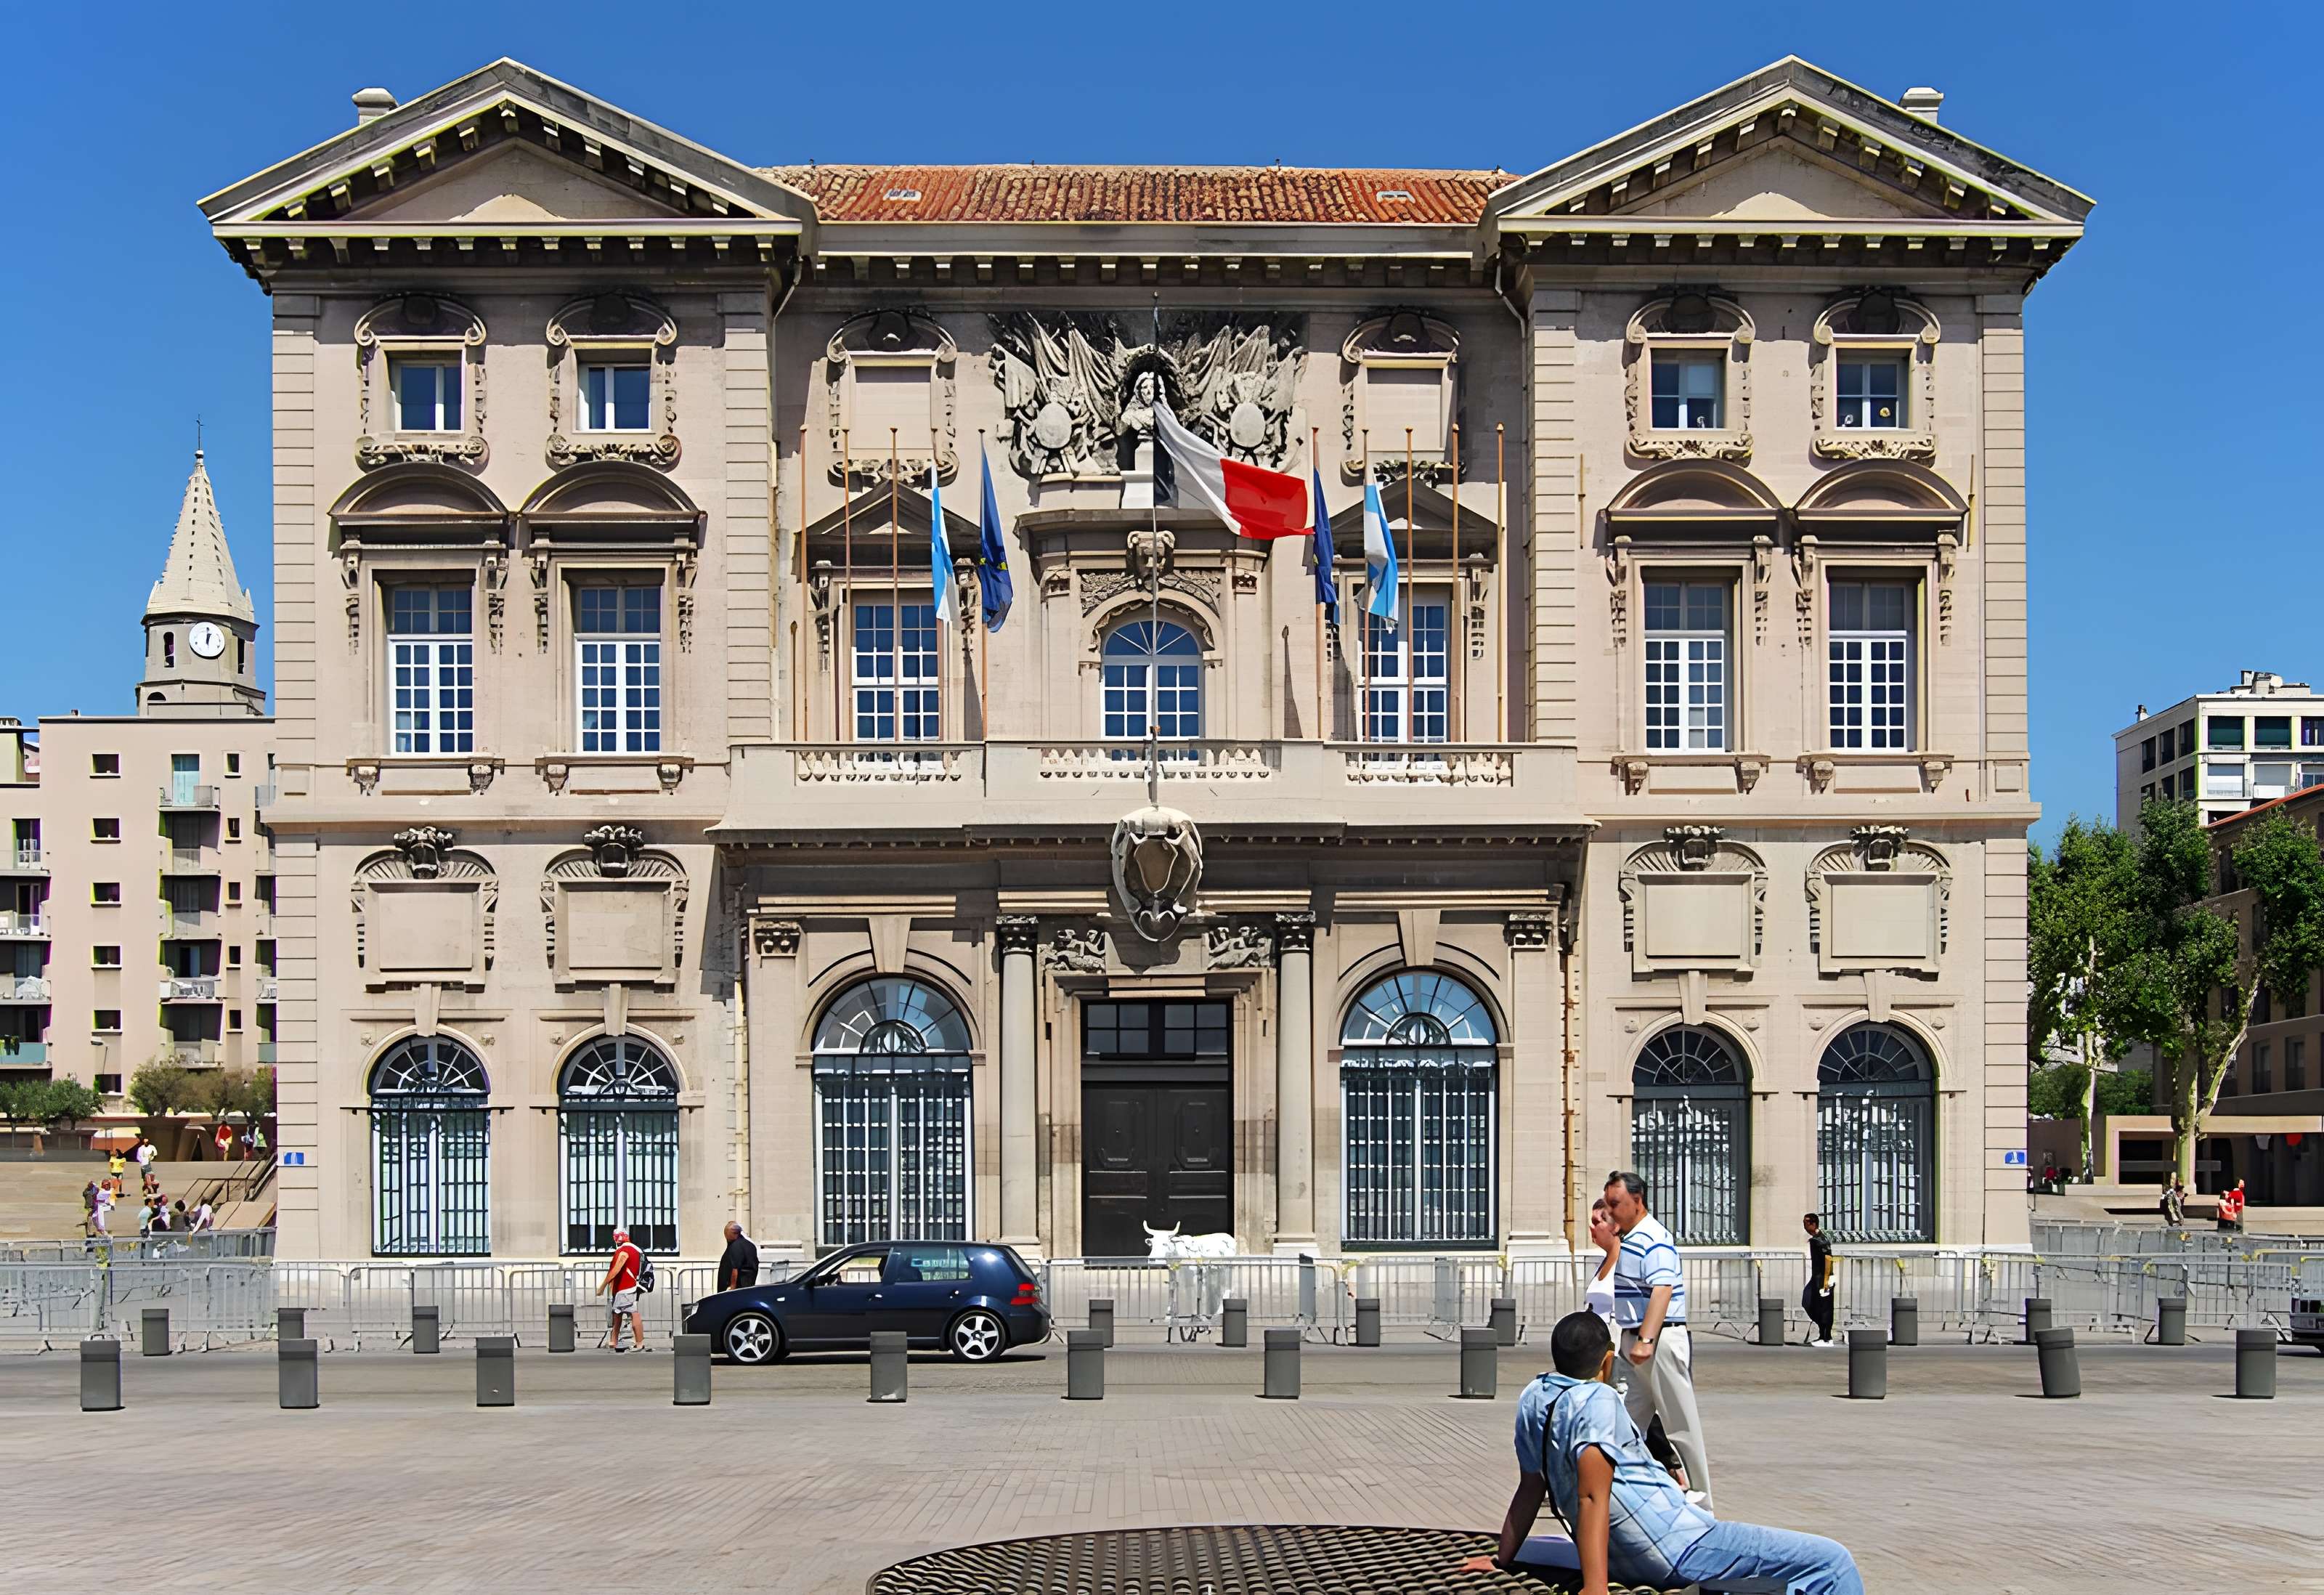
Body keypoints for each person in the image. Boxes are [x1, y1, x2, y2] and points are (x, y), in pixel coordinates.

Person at [1471, 1311, 1863, 1594]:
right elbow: (1592, 1495)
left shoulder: (1534, 1397)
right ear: (1607, 1360)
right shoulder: (1597, 1400)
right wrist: (1595, 1587)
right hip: (1679, 1545)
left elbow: (1530, 1488)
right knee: (1831, 1562)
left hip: (1627, 1553)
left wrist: (1502, 1558)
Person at [1603, 1170, 1713, 1507]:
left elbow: (1662, 1289)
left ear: (1637, 1201)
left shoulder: (1654, 1237)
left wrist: (1647, 1340)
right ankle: (1614, 1491)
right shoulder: (1631, 1238)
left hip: (1658, 1341)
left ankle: (1701, 1501)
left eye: (1615, 1203)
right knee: (1624, 1421)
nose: (1610, 1211)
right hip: (1637, 1340)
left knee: (1679, 1423)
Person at [596, 1228, 647, 1352]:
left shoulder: (624, 1251)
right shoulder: (635, 1250)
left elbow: (616, 1269)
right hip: (626, 1288)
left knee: (633, 1313)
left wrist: (603, 1286)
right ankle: (614, 1341)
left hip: (625, 1288)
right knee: (617, 1314)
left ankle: (639, 1343)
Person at [1803, 1213, 1836, 1347]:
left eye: (1806, 1223)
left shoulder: (1820, 1240)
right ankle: (1823, 1334)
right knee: (1809, 1301)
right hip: (1817, 1277)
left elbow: (1828, 1260)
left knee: (1824, 1307)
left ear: (1813, 1223)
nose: (1804, 1226)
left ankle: (1826, 1338)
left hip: (1824, 1278)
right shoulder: (1816, 1239)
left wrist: (1826, 1281)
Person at [718, 1221, 759, 1293]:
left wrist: (732, 1288)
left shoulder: (736, 1246)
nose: (726, 1238)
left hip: (737, 1289)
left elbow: (735, 1268)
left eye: (726, 1234)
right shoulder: (750, 1245)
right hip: (748, 1286)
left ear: (734, 1233)